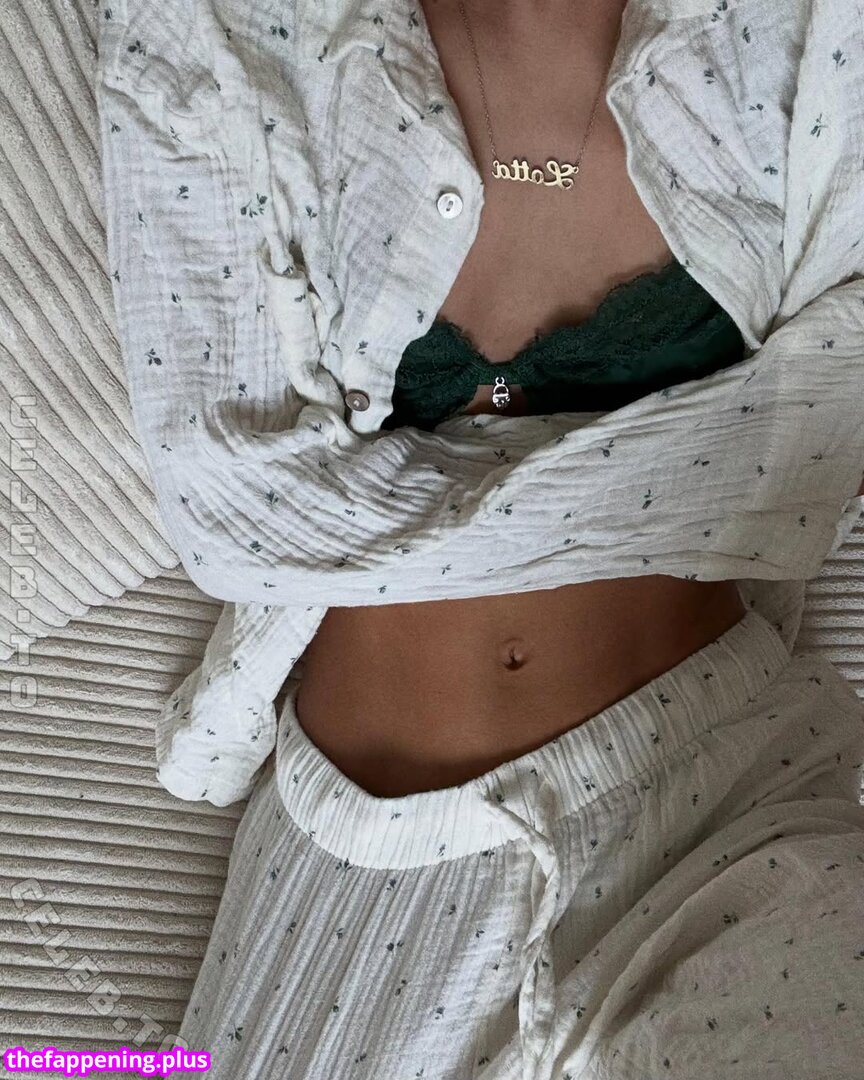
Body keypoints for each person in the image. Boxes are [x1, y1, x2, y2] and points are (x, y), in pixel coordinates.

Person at [95, 0, 864, 1076]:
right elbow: (227, 503)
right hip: (357, 883)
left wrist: (407, 500)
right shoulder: (222, 22)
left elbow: (834, 402)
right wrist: (678, 476)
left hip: (714, 802)